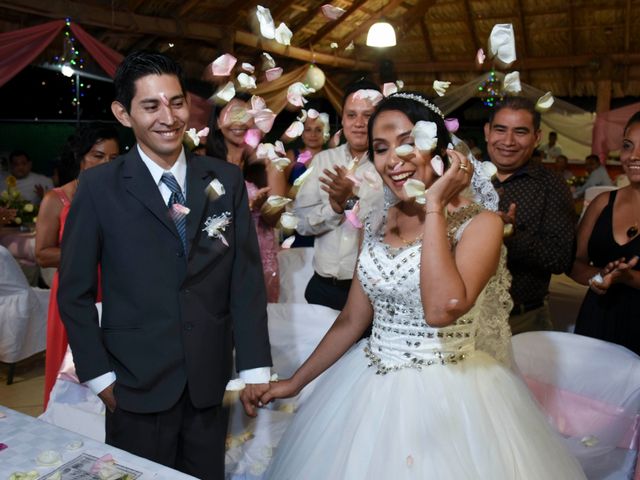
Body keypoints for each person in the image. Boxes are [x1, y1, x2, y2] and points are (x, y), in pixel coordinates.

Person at [260, 93, 585, 479]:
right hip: (367, 389)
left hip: (452, 395)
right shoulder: (377, 217)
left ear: (442, 152)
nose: (393, 159)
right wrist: (295, 382)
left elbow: (441, 308)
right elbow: (352, 319)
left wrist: (434, 206)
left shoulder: (482, 224)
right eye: (381, 148)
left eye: (409, 143)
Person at [57, 51, 271, 479]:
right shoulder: (100, 187)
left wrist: (254, 368)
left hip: (208, 380)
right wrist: (100, 379)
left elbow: (245, 280)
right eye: (151, 105)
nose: (168, 117)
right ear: (124, 112)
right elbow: (74, 292)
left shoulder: (223, 180)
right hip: (133, 383)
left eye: (176, 102)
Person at [35, 124, 120, 409]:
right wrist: (86, 252)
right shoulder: (56, 199)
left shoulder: (118, 198)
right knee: (70, 367)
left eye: (113, 157)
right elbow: (42, 254)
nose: (105, 163)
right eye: (97, 156)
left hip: (111, 290)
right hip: (74, 292)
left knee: (108, 368)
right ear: (80, 156)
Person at [486, 96, 576, 335]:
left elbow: (560, 259)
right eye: (500, 129)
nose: (508, 141)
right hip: (462, 319)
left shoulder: (551, 186)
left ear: (536, 138)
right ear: (487, 132)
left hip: (521, 320)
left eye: (520, 132)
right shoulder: (464, 178)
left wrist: (512, 236)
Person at [293, 79, 384, 311]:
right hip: (323, 287)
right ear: (342, 119)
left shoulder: (391, 166)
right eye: (352, 115)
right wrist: (333, 208)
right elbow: (301, 224)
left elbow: (385, 228)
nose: (359, 124)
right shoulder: (323, 160)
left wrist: (348, 201)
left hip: (369, 293)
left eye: (368, 115)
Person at [569, 112, 640, 355]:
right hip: (598, 319)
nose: (633, 156)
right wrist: (599, 274)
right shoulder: (602, 203)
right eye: (628, 146)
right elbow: (574, 262)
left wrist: (628, 277)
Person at [206, 93, 286, 302]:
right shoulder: (203, 166)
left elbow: (274, 220)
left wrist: (264, 207)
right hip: (219, 262)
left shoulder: (269, 163)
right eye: (233, 113)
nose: (240, 121)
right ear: (216, 121)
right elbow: (204, 218)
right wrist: (247, 208)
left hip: (260, 260)